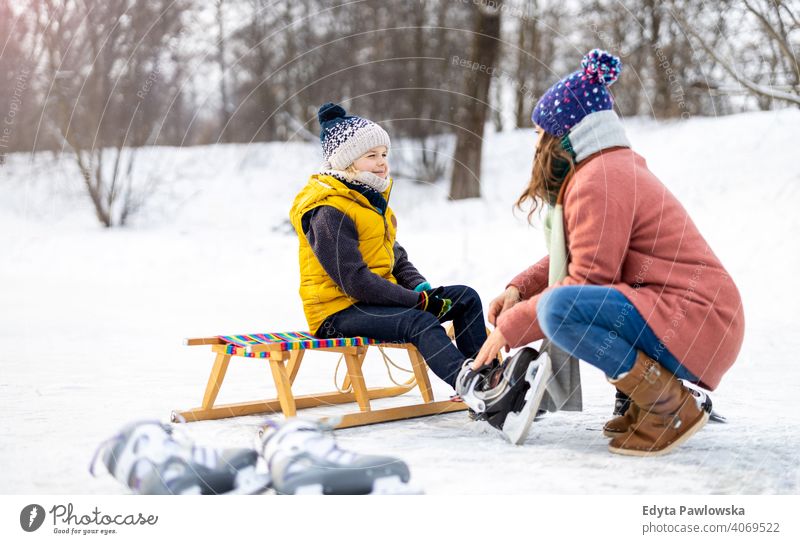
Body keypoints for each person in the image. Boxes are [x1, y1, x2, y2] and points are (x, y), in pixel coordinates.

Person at [472, 50, 744, 456]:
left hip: (694, 317)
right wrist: (519, 288)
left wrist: (512, 326)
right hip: (701, 318)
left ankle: (666, 406)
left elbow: (585, 282)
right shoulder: (610, 169)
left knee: (559, 310)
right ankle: (649, 401)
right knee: (561, 304)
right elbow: (590, 253)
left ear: (566, 133)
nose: (537, 144)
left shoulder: (600, 179)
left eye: (541, 132)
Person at [289, 102, 487, 389]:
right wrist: (417, 303)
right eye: (371, 156)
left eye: (384, 154)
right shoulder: (328, 210)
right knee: (419, 321)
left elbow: (396, 258)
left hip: (371, 302)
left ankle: (490, 377)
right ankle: (472, 387)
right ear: (346, 161)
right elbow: (354, 281)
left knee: (466, 298)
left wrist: (420, 288)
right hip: (336, 312)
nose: (382, 162)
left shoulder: (370, 203)